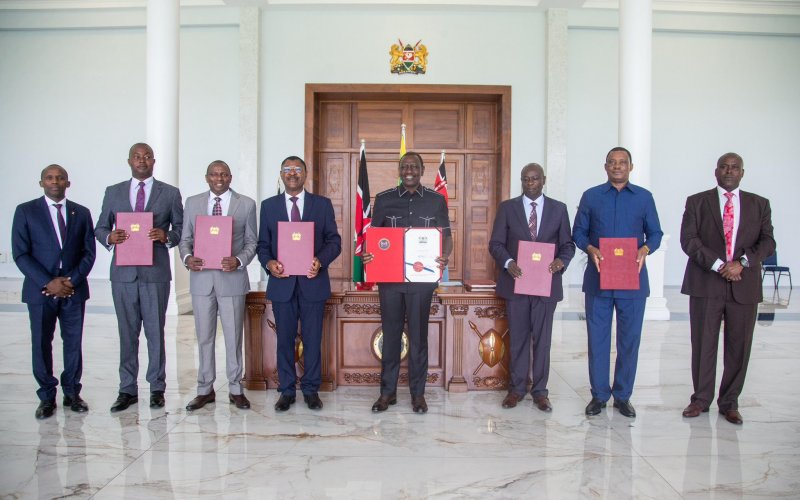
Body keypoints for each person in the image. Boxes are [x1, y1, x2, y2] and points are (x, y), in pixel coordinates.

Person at [679, 152, 775, 425]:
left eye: (735, 168)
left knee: (739, 347)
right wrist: (720, 264)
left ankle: (730, 402)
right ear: (716, 171)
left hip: (744, 286)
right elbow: (689, 240)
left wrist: (742, 263)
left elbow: (768, 242)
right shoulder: (697, 202)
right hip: (706, 283)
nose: (729, 171)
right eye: (724, 167)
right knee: (703, 344)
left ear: (742, 173)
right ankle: (700, 399)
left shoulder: (760, 204)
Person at [572, 147, 663, 418]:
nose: (617, 166)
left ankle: (623, 396)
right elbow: (578, 232)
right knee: (597, 340)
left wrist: (645, 250)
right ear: (605, 166)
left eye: (622, 163)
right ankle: (599, 395)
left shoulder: (644, 198)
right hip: (599, 281)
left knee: (629, 341)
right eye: (612, 162)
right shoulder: (591, 196)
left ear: (631, 167)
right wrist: (590, 248)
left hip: (632, 281)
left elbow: (656, 233)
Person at [95, 143, 183, 413]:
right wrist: (109, 237)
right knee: (127, 333)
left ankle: (157, 388)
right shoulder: (114, 192)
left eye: (147, 157)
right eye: (137, 156)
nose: (142, 161)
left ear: (154, 161)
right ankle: (127, 389)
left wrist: (166, 236)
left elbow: (180, 228)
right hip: (123, 274)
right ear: (129, 160)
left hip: (155, 273)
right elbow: (100, 227)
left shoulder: (169, 193)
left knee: (156, 332)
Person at [362, 152, 453, 414]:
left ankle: (418, 395)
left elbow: (446, 237)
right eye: (405, 166)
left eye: (414, 166)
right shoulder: (384, 199)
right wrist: (368, 253)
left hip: (421, 282)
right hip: (390, 281)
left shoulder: (436, 201)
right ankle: (387, 393)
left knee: (418, 337)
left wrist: (444, 255)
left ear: (422, 170)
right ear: (399, 170)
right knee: (391, 337)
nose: (409, 170)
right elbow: (373, 237)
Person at [257, 156, 341, 412]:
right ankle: (286, 390)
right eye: (287, 169)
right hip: (282, 285)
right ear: (281, 175)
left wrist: (320, 261)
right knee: (284, 340)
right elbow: (263, 246)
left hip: (312, 283)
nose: (292, 173)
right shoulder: (269, 206)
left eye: (297, 169)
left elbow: (334, 241)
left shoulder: (321, 205)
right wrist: (270, 263)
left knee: (313, 338)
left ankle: (311, 389)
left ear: (305, 174)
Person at [488, 163, 575, 411]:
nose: (530, 183)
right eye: (526, 179)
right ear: (521, 181)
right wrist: (508, 262)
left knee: (543, 341)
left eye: (534, 179)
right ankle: (516, 389)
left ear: (543, 180)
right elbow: (496, 243)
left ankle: (540, 391)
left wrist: (561, 261)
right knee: (518, 339)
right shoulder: (508, 208)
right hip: (516, 284)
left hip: (546, 286)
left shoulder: (559, 209)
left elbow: (568, 245)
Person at [12, 165, 96, 419]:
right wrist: (48, 282)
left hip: (74, 290)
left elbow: (89, 252)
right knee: (41, 343)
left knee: (73, 344)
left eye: (60, 178)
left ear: (68, 183)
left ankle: (72, 393)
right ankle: (47, 396)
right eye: (49, 178)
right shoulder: (26, 211)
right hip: (41, 293)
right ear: (41, 183)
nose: (55, 182)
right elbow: (20, 253)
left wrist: (71, 280)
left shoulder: (81, 213)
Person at [179, 160, 258, 411]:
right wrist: (187, 258)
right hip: (202, 281)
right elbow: (184, 240)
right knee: (204, 338)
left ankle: (235, 388)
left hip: (231, 280)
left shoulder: (246, 204)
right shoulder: (192, 203)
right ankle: (205, 389)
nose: (219, 178)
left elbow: (252, 242)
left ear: (231, 177)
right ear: (206, 177)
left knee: (234, 337)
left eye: (223, 174)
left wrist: (238, 260)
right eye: (214, 174)